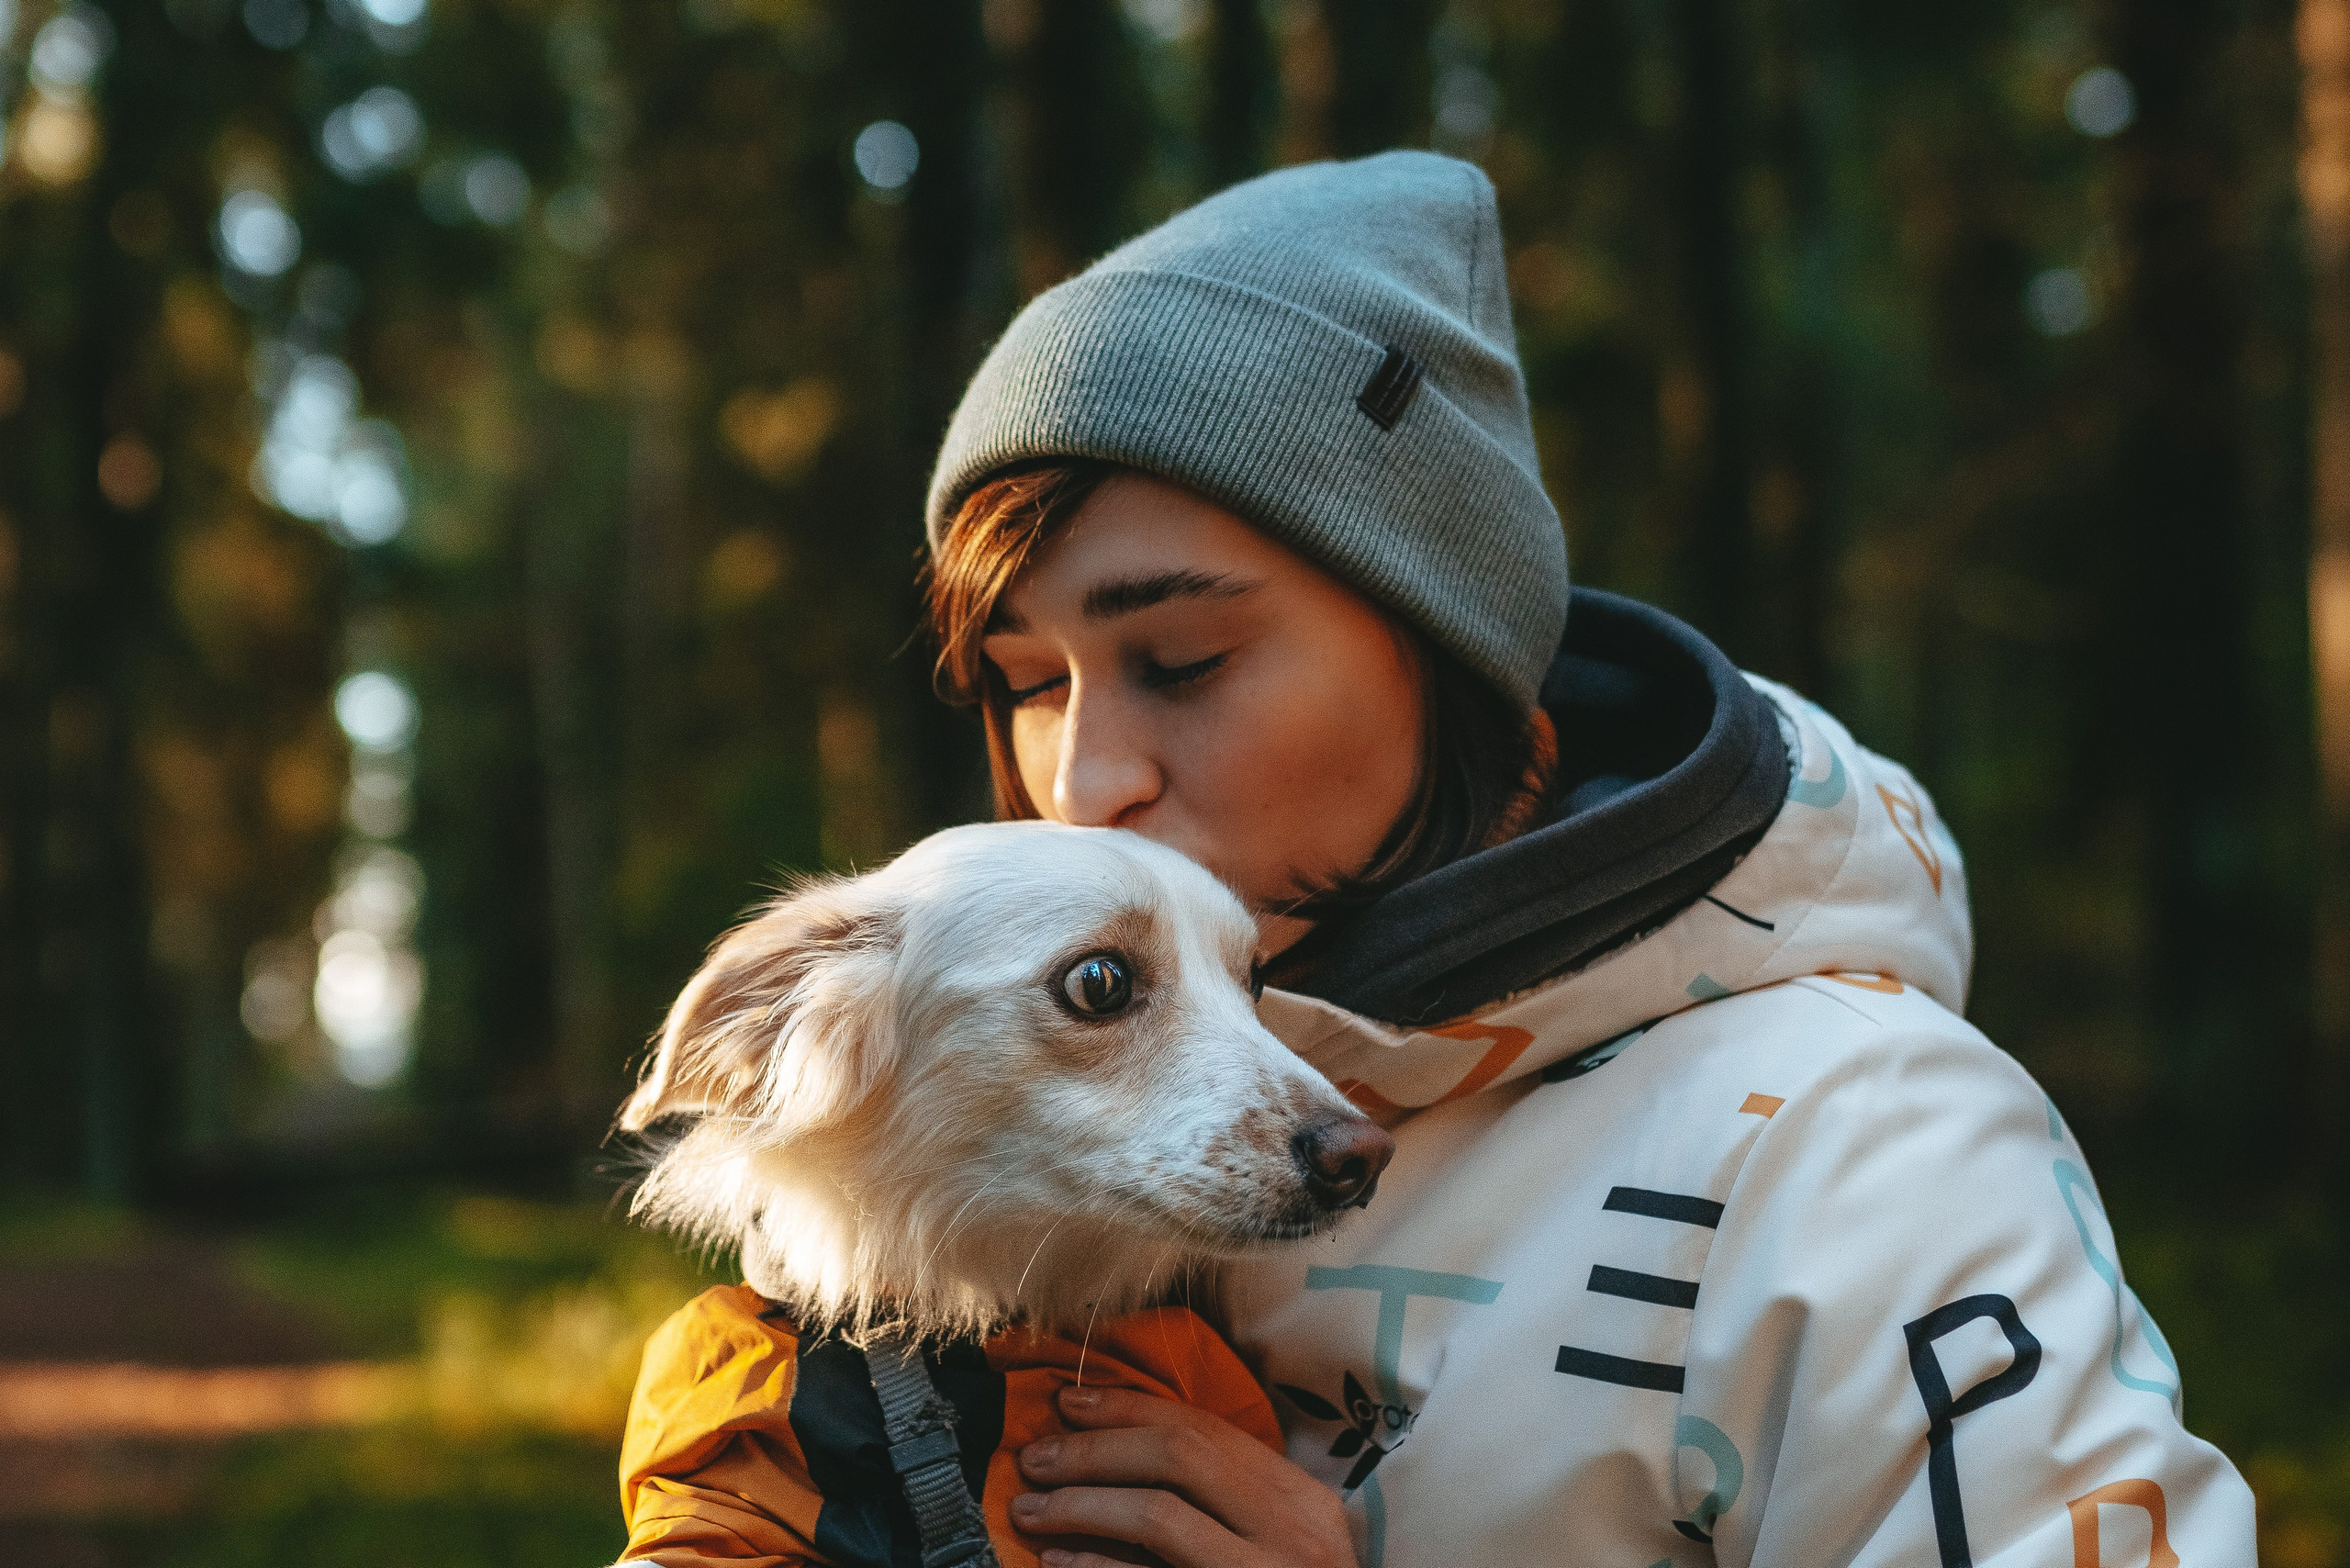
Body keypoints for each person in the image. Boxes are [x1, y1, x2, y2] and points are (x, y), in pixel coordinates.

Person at [911, 151, 2256, 1567]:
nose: (1082, 779)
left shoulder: (1864, 1145)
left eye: (1181, 661)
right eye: (1029, 684)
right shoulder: (1055, 1120)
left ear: (1453, 639)